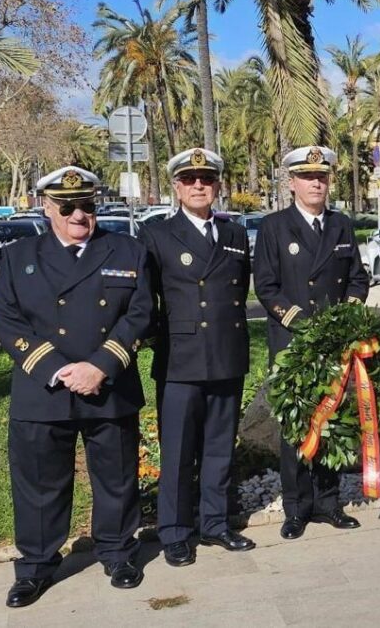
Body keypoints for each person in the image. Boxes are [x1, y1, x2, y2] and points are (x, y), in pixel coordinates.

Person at [0, 167, 153, 608]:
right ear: (46, 208)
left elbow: (140, 313)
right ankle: (36, 567)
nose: (78, 215)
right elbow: (8, 322)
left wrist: (100, 366)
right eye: (66, 207)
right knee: (39, 485)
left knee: (117, 478)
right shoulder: (18, 256)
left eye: (86, 205)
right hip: (43, 388)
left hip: (108, 385)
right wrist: (60, 369)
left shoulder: (127, 250)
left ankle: (118, 553)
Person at [139, 148, 255, 567]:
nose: (199, 186)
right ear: (176, 187)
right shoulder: (156, 234)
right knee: (177, 451)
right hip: (181, 358)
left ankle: (215, 523)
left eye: (206, 179)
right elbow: (145, 298)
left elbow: (238, 291)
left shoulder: (234, 234)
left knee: (219, 446)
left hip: (226, 352)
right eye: (189, 179)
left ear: (218, 185)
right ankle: (174, 532)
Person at [253, 146, 370, 540]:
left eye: (321, 177)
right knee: (296, 425)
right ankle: (297, 508)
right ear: (292, 183)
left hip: (333, 343)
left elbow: (357, 278)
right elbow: (265, 286)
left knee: (331, 420)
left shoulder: (341, 225)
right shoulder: (274, 227)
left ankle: (328, 502)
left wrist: (344, 318)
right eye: (307, 177)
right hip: (294, 341)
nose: (316, 183)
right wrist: (301, 322)